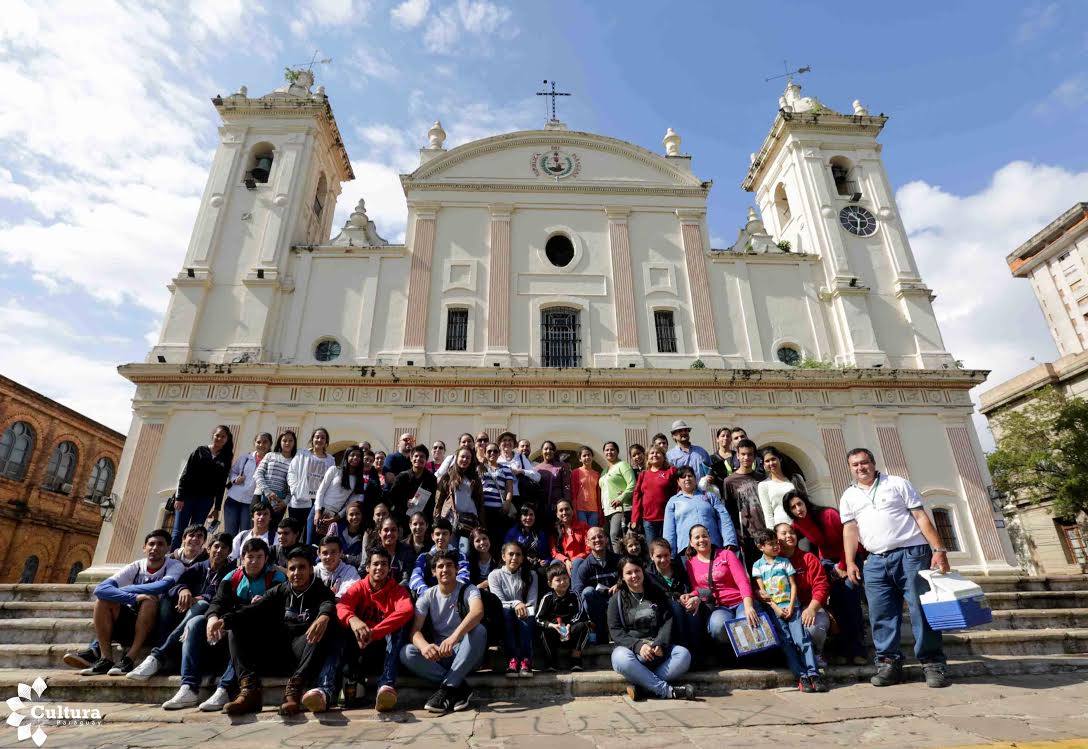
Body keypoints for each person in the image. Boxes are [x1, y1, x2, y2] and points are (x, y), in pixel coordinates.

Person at [841, 448, 951, 689]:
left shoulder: (897, 483)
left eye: (864, 463)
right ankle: (888, 664)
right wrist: (850, 561)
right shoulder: (849, 496)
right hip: (875, 559)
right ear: (850, 468)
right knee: (880, 614)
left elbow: (921, 517)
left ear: (873, 463)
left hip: (911, 553)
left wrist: (939, 549)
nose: (861, 468)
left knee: (920, 610)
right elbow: (850, 530)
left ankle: (932, 663)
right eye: (855, 465)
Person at [160, 537, 287, 711]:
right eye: (250, 557)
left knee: (238, 629)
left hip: (260, 637)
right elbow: (217, 602)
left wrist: (226, 621)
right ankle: (188, 686)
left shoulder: (276, 578)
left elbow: (266, 609)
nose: (255, 561)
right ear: (242, 558)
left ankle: (225, 688)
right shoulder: (232, 576)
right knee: (196, 622)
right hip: (227, 630)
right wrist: (212, 618)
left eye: (259, 557)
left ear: (266, 559)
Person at [217, 547, 339, 715]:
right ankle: (249, 690)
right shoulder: (282, 589)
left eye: (302, 567)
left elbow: (328, 604)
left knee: (322, 629)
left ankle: (294, 691)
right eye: (292, 568)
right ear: (287, 571)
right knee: (236, 627)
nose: (296, 573)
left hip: (304, 655)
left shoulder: (320, 590)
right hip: (277, 651)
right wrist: (225, 620)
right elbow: (255, 608)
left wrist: (324, 616)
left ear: (311, 569)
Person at [68, 529, 185, 676]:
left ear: (168, 548)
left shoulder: (174, 565)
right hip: (130, 620)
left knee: (150, 599)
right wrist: (133, 597)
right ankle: (105, 659)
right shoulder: (136, 566)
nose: (155, 548)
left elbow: (161, 586)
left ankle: (130, 658)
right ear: (144, 548)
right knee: (102, 601)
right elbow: (101, 589)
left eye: (160, 544)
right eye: (151, 544)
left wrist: (128, 590)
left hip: (155, 626)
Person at [128, 532, 235, 681]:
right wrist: (183, 590)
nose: (219, 551)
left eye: (224, 548)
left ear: (229, 552)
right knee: (166, 600)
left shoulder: (232, 571)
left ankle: (158, 656)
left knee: (202, 605)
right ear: (209, 548)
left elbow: (219, 595)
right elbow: (175, 584)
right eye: (216, 546)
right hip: (187, 610)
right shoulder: (199, 567)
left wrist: (200, 598)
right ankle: (164, 651)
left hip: (210, 614)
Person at [784, 490, 868, 665]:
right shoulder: (798, 524)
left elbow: (849, 539)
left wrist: (845, 566)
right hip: (828, 562)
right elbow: (786, 539)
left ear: (806, 502)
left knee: (851, 600)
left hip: (849, 557)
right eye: (793, 507)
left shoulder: (828, 514)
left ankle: (858, 651)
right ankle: (843, 651)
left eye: (799, 504)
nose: (798, 509)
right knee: (836, 604)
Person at [400, 550, 487, 714]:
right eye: (440, 566)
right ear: (434, 572)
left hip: (465, 652)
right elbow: (415, 631)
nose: (444, 570)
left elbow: (477, 612)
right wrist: (425, 647)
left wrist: (454, 638)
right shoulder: (427, 595)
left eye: (449, 565)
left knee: (479, 630)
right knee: (406, 652)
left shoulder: (469, 589)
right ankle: (459, 687)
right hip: (442, 654)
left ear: (456, 569)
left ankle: (447, 688)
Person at [336, 547, 415, 711]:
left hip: (385, 650)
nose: (380, 568)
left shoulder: (397, 591)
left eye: (384, 564)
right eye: (376, 564)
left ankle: (386, 685)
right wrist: (353, 619)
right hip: (360, 649)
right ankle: (329, 686)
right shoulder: (359, 587)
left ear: (389, 567)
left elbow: (406, 610)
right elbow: (342, 606)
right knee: (340, 624)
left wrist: (375, 632)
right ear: (367, 568)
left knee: (399, 627)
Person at [608, 556, 696, 701]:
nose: (634, 575)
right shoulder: (616, 600)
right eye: (629, 573)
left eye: (637, 571)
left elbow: (667, 621)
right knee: (620, 658)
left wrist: (660, 643)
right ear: (622, 577)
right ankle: (668, 691)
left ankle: (643, 687)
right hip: (632, 653)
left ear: (643, 571)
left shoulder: (656, 594)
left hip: (657, 650)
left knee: (683, 654)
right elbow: (616, 632)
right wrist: (638, 646)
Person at [751, 529, 824, 692]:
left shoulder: (784, 562)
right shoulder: (757, 566)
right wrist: (776, 608)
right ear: (760, 547)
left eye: (777, 543)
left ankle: (814, 674)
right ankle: (801, 676)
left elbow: (793, 585)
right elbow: (763, 593)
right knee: (787, 642)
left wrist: (791, 606)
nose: (777, 546)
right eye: (771, 544)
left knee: (802, 639)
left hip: (793, 607)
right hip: (775, 610)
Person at [684, 525, 759, 657]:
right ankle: (731, 654)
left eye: (704, 536)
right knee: (717, 627)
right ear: (691, 542)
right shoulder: (691, 563)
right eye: (697, 537)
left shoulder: (726, 554)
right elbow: (697, 588)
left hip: (740, 601)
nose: (701, 539)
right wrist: (693, 596)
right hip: (719, 606)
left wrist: (748, 606)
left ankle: (750, 656)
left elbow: (742, 581)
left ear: (710, 538)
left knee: (745, 621)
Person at [773, 523, 833, 671]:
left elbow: (821, 586)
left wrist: (812, 608)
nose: (789, 536)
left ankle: (817, 652)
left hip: (807, 607)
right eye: (784, 533)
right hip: (782, 610)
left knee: (813, 627)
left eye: (792, 532)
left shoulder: (809, 558)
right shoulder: (771, 561)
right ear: (776, 539)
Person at [171, 426, 234, 550]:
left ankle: (189, 560)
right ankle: (171, 559)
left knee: (196, 533)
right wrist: (179, 498)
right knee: (179, 531)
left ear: (227, 439)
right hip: (187, 497)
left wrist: (217, 508)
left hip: (205, 501)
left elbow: (221, 485)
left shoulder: (226, 458)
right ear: (213, 436)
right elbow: (185, 474)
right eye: (217, 435)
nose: (219, 438)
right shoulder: (200, 451)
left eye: (223, 436)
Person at [489, 541, 539, 676]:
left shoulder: (531, 575)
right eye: (511, 554)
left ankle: (526, 660)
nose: (514, 558)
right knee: (506, 613)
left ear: (523, 558)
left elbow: (532, 601)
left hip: (525, 612)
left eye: (518, 555)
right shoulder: (495, 575)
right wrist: (516, 603)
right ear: (503, 556)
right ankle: (513, 659)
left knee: (527, 614)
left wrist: (522, 607)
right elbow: (498, 601)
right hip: (505, 613)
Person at [663, 466, 737, 557]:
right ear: (678, 482)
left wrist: (730, 541)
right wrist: (670, 554)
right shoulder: (673, 502)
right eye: (683, 477)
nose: (687, 478)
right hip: (687, 550)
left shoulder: (709, 496)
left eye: (690, 476)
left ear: (695, 478)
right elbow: (669, 530)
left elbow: (724, 518)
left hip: (712, 546)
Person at [646, 538, 699, 649]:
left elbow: (688, 587)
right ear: (651, 557)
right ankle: (684, 648)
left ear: (670, 554)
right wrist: (677, 598)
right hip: (662, 610)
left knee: (693, 609)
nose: (663, 559)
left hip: (684, 604)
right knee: (676, 607)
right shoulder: (648, 575)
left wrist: (689, 596)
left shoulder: (679, 568)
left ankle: (695, 652)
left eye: (666, 555)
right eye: (659, 556)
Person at [536, 562, 589, 672]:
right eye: (558, 580)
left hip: (570, 630)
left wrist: (569, 625)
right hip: (554, 631)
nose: (562, 582)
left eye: (565, 578)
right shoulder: (547, 598)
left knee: (583, 626)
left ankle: (576, 658)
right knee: (543, 632)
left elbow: (580, 613)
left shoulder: (574, 595)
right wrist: (552, 626)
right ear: (550, 584)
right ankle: (551, 661)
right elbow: (538, 619)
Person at [571, 526, 620, 642]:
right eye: (593, 538)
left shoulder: (618, 560)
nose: (597, 540)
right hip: (596, 605)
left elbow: (630, 578)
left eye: (600, 536)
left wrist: (620, 585)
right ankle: (599, 633)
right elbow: (577, 592)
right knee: (587, 592)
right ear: (587, 543)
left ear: (607, 539)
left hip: (616, 600)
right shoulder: (585, 566)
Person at [723, 439, 766, 568]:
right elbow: (729, 511)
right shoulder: (729, 481)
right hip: (747, 534)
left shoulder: (762, 478)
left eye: (750, 454)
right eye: (743, 454)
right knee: (754, 572)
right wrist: (736, 535)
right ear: (737, 455)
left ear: (754, 456)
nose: (746, 457)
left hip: (767, 531)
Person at [434, 446, 485, 556]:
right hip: (450, 519)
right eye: (462, 456)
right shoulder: (448, 476)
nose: (465, 460)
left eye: (468, 458)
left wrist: (481, 522)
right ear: (457, 458)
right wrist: (437, 516)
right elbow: (440, 498)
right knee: (449, 550)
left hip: (468, 521)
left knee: (464, 551)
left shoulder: (475, 477)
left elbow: (479, 501)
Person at [310, 446, 365, 545]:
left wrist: (335, 518)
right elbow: (321, 491)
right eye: (352, 455)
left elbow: (350, 504)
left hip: (335, 516)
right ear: (347, 456)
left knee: (326, 546)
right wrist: (317, 512)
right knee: (310, 543)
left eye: (358, 456)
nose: (355, 458)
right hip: (319, 510)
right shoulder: (334, 470)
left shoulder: (358, 479)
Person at [408, 518, 471, 597]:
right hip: (429, 598)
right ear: (432, 536)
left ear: (450, 536)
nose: (441, 537)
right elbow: (415, 578)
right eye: (437, 534)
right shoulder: (424, 557)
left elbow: (464, 576)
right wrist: (428, 594)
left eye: (444, 534)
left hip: (453, 597)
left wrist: (447, 592)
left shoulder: (460, 556)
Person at [224, 433, 271, 536]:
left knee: (245, 534)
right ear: (254, 443)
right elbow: (233, 471)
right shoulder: (245, 457)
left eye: (265, 442)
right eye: (258, 442)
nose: (261, 445)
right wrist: (235, 479)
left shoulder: (272, 461)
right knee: (229, 534)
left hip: (251, 503)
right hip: (234, 499)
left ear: (270, 444)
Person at [286, 427, 335, 527]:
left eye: (323, 438)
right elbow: (292, 472)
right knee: (295, 530)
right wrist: (294, 489)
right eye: (317, 437)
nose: (319, 440)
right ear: (312, 439)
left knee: (309, 534)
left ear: (326, 442)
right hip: (300, 498)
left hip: (318, 502)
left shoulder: (330, 460)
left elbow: (331, 481)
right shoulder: (302, 454)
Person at [632, 446, 678, 542]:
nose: (655, 455)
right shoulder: (643, 475)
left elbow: (678, 491)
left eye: (658, 453)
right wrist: (634, 519)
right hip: (648, 520)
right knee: (652, 549)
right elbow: (637, 497)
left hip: (667, 518)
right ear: (647, 457)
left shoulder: (671, 471)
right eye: (651, 453)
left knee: (667, 547)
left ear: (663, 456)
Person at [599, 441, 636, 555]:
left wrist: (621, 498)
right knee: (610, 539)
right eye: (607, 450)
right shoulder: (604, 471)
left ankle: (621, 565)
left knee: (615, 536)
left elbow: (632, 484)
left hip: (621, 508)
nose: (609, 452)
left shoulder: (623, 465)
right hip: (607, 511)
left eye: (612, 449)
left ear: (617, 452)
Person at [757, 446, 806, 530]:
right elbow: (768, 514)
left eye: (773, 459)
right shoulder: (763, 485)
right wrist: (774, 535)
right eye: (767, 461)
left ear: (780, 459)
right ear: (764, 465)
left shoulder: (797, 478)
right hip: (782, 531)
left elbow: (807, 503)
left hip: (803, 526)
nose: (771, 463)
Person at [254, 430, 297, 525]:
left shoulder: (296, 462)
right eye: (284, 440)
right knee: (256, 529)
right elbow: (258, 474)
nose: (287, 443)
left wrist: (285, 502)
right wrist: (267, 492)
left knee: (272, 532)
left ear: (294, 443)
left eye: (291, 440)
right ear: (279, 442)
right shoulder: (270, 455)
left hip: (279, 502)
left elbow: (293, 486)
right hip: (262, 496)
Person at [389, 445, 438, 524]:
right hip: (402, 519)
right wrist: (406, 502)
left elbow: (432, 502)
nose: (418, 459)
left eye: (422, 457)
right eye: (416, 456)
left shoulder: (431, 479)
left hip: (422, 521)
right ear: (411, 459)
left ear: (426, 459)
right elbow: (392, 496)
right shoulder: (402, 477)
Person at [479, 443, 516, 547]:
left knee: (498, 538)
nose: (492, 453)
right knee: (485, 537)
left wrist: (507, 503)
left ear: (499, 453)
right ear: (485, 454)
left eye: (495, 451)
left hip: (499, 510)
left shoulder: (506, 469)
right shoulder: (480, 469)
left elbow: (509, 489)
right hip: (483, 509)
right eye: (489, 451)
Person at [498, 431, 542, 507]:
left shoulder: (520, 457)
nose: (507, 442)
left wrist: (521, 471)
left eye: (510, 440)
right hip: (501, 498)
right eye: (504, 440)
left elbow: (537, 476)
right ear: (500, 444)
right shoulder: (497, 459)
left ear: (514, 443)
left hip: (521, 498)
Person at [503, 503, 552, 569]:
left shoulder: (541, 533)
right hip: (518, 565)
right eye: (525, 515)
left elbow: (547, 553)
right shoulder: (513, 532)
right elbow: (506, 551)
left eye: (531, 514)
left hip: (538, 566)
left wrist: (546, 561)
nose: (528, 517)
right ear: (520, 517)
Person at [535, 440, 572, 516]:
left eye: (551, 449)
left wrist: (567, 503)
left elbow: (566, 486)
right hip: (542, 506)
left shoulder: (562, 466)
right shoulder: (536, 468)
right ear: (541, 451)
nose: (548, 451)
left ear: (554, 451)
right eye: (546, 449)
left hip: (559, 507)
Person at [551, 499, 589, 570]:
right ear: (557, 514)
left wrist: (574, 559)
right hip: (564, 562)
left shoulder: (583, 526)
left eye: (567, 509)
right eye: (561, 510)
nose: (564, 512)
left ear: (573, 511)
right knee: (554, 563)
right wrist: (566, 560)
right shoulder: (555, 530)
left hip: (582, 561)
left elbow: (589, 548)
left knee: (577, 562)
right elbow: (554, 552)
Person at [571, 446, 602, 528]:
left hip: (594, 510)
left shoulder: (597, 474)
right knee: (583, 534)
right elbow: (573, 492)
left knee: (593, 534)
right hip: (580, 509)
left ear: (592, 457)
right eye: (584, 456)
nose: (587, 457)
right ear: (580, 459)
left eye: (589, 455)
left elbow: (599, 494)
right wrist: (574, 510)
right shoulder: (575, 472)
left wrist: (600, 511)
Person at [329, 501, 366, 568]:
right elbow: (327, 547)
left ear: (362, 515)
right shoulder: (336, 528)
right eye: (351, 514)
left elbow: (362, 558)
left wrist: (345, 557)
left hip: (352, 570)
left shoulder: (365, 535)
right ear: (346, 517)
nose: (354, 517)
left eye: (357, 514)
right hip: (333, 565)